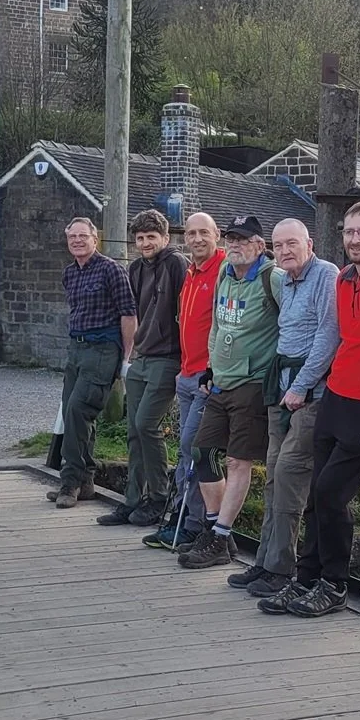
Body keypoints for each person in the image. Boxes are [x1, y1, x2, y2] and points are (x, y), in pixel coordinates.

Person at [258, 201, 360, 617]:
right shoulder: (344, 278)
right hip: (337, 396)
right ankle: (306, 579)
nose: (355, 240)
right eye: (349, 232)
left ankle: (335, 584)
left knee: (331, 492)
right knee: (315, 492)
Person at [227, 218, 340, 596]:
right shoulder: (286, 280)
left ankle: (282, 569)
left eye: (293, 243)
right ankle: (264, 562)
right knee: (274, 473)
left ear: (309, 243)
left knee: (292, 473)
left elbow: (329, 332)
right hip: (281, 391)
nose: (286, 250)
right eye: (280, 244)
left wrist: (304, 385)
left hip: (311, 395)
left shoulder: (325, 275)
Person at [178, 215, 283, 570]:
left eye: (244, 239)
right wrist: (210, 366)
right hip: (220, 382)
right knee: (202, 451)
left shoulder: (273, 278)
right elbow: (219, 324)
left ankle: (220, 536)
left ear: (259, 245)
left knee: (239, 461)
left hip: (252, 386)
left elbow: (298, 321)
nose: (235, 244)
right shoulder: (226, 274)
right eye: (232, 238)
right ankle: (216, 531)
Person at [98, 210, 188, 527]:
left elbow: (186, 312)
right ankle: (132, 500)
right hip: (142, 357)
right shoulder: (135, 269)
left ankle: (158, 498)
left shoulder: (176, 264)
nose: (146, 242)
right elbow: (131, 312)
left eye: (152, 237)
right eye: (140, 238)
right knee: (134, 431)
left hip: (168, 356)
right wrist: (128, 354)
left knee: (147, 424)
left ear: (165, 238)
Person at [143, 212, 226, 550]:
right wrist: (182, 368)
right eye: (191, 233)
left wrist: (212, 370)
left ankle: (191, 526)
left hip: (208, 379)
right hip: (187, 374)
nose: (196, 239)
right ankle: (182, 519)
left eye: (203, 232)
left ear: (216, 234)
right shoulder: (191, 271)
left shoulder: (223, 269)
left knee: (195, 451)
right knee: (188, 450)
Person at [48, 217, 137, 508]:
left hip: (103, 350)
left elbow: (128, 314)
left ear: (94, 239)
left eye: (82, 236)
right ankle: (85, 482)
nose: (77, 240)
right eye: (72, 236)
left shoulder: (112, 269)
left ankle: (70, 483)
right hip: (77, 349)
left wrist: (125, 358)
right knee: (77, 415)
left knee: (77, 411)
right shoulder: (69, 273)